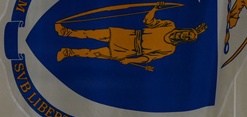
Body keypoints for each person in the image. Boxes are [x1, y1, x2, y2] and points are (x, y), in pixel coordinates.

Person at [55, 2, 206, 69]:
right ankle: (66, 32)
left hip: (130, 51)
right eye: (187, 33)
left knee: (94, 53)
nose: (184, 36)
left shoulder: (169, 49)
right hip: (128, 35)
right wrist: (155, 8)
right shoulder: (169, 25)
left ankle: (68, 52)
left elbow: (148, 58)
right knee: (91, 34)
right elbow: (148, 20)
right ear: (185, 29)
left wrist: (129, 60)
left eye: (187, 38)